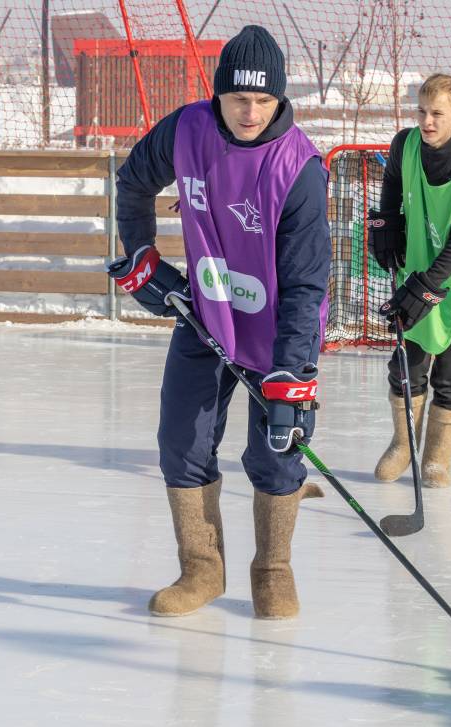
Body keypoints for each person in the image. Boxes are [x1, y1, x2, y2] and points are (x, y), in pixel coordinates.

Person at [109, 25, 330, 619]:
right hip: (205, 313)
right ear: (219, 94)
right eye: (238, 99)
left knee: (276, 452)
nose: (250, 113)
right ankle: (201, 569)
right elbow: (132, 182)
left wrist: (291, 373)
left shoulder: (299, 169)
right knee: (181, 440)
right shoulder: (188, 129)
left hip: (279, 332)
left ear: (280, 98)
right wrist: (141, 254)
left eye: (263, 100)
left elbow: (307, 284)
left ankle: (273, 570)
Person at [368, 74, 451, 488]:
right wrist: (386, 221)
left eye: (437, 114)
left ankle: (436, 460)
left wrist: (424, 288)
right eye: (422, 112)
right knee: (406, 364)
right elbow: (393, 181)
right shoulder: (405, 144)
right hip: (420, 262)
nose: (427, 122)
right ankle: (403, 444)